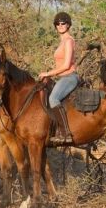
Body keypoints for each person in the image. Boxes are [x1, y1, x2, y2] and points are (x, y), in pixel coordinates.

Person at [38, 12, 78, 146]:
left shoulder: (68, 41)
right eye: (58, 23)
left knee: (53, 99)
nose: (60, 26)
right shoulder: (62, 42)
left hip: (69, 77)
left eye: (63, 23)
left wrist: (48, 73)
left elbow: (66, 65)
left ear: (68, 25)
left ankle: (66, 133)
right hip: (62, 78)